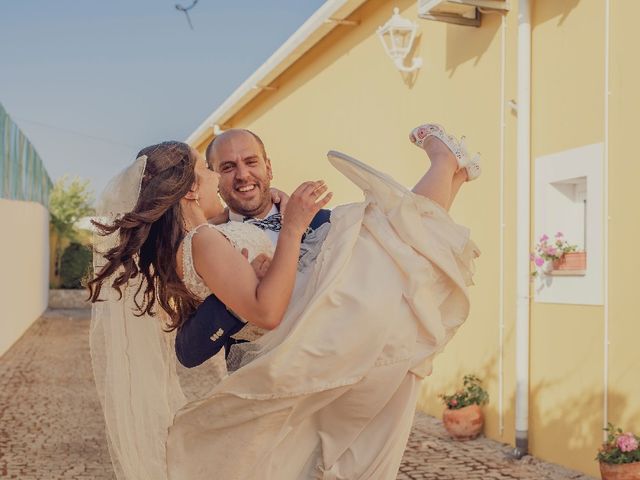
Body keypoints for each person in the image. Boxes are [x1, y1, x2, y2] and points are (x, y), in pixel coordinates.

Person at [88, 123, 480, 480]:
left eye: (250, 162)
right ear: (196, 186)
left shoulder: (215, 234)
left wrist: (287, 224)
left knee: (396, 240)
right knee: (391, 236)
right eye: (216, 169)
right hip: (305, 344)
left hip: (330, 332)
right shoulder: (208, 239)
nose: (238, 175)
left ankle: (452, 170)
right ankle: (448, 165)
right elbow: (238, 323)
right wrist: (288, 233)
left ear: (268, 168)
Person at [174, 129, 331, 369]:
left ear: (268, 167)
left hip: (337, 374)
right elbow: (188, 352)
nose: (243, 175)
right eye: (228, 167)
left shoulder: (323, 222)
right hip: (263, 387)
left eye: (251, 162)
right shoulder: (207, 246)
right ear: (214, 178)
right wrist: (235, 299)